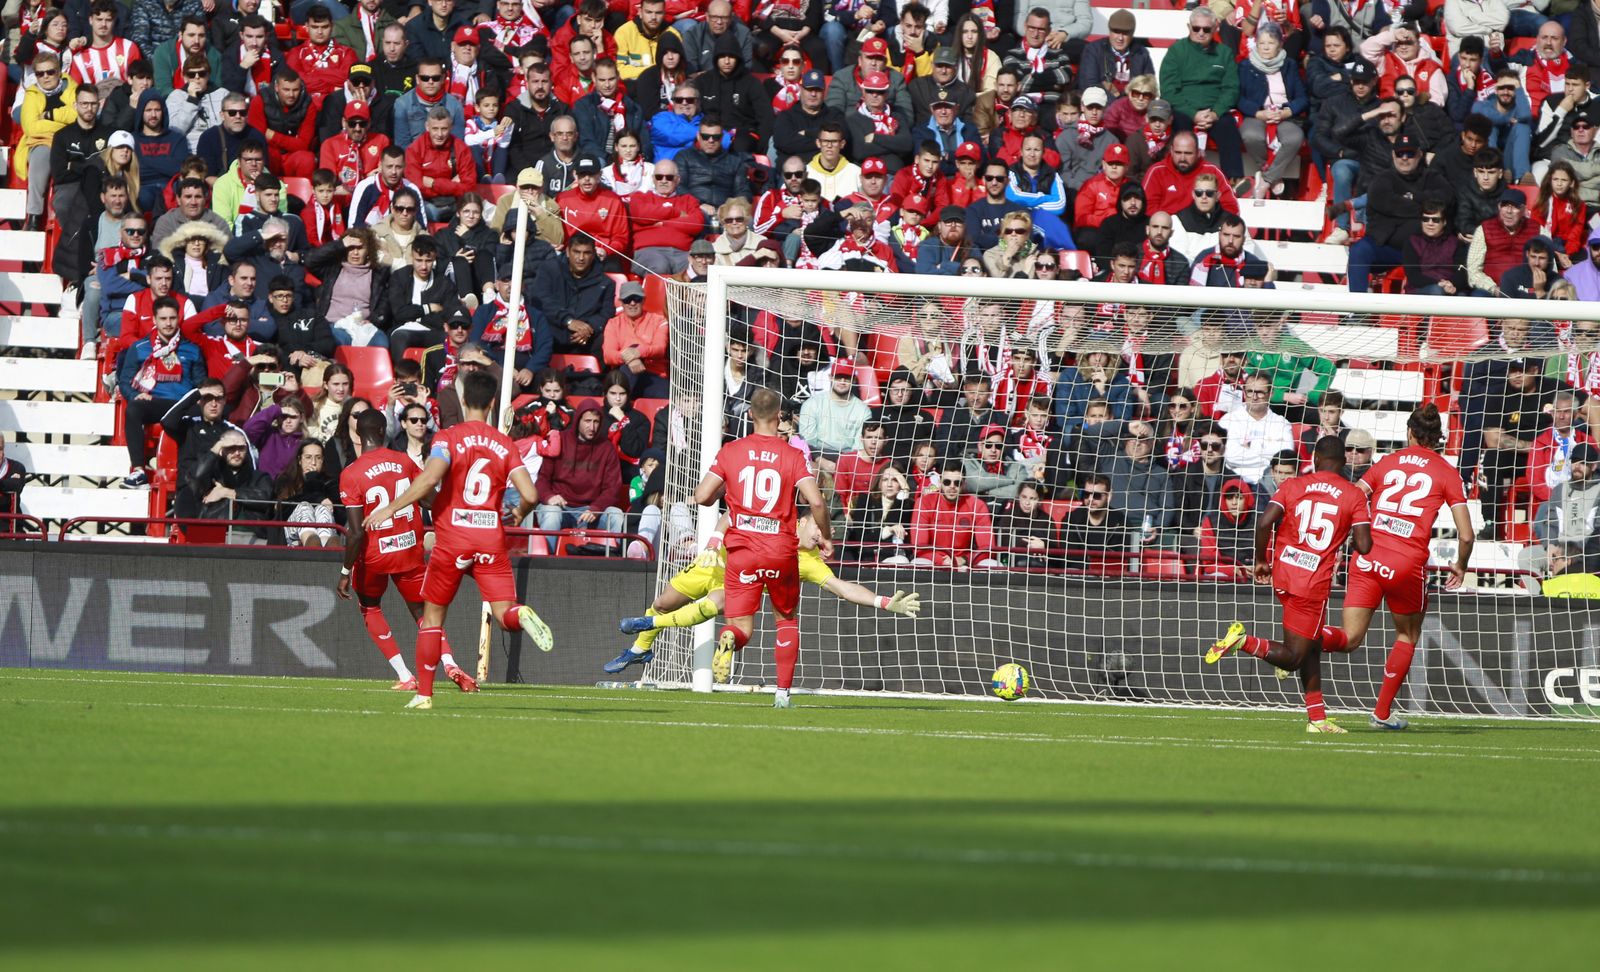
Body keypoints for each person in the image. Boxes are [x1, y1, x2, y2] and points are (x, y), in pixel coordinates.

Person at [364, 370, 553, 710]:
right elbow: (531, 493)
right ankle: (521, 613)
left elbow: (430, 477)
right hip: (490, 539)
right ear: (493, 403)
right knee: (503, 613)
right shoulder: (504, 444)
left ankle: (423, 695)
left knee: (433, 618)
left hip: (452, 538)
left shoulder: (448, 438)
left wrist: (391, 508)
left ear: (464, 401)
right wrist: (520, 514)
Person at [1309, 404, 1476, 730]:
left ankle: (1301, 645)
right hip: (1405, 563)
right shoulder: (1446, 472)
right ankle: (1382, 714)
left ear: (1409, 433)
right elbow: (1467, 535)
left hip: (1368, 556)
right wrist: (1460, 564)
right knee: (1407, 635)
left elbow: (1354, 496)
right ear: (1437, 437)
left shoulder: (1387, 462)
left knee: (1350, 637)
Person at [1206, 436, 1374, 733]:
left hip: (1283, 576)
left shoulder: (1293, 485)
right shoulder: (1353, 495)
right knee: (1295, 657)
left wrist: (1260, 561)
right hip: (1311, 583)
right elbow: (1363, 545)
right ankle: (1243, 641)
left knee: (1309, 648)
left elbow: (1263, 523)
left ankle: (1318, 719)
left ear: (1315, 460)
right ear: (1344, 462)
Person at [611, 510, 917, 673]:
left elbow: (842, 588)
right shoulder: (778, 519)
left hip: (734, 582)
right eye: (822, 531)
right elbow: (733, 513)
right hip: (713, 562)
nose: (824, 539)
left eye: (829, 535)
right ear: (806, 520)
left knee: (713, 604)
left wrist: (884, 601)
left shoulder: (809, 562)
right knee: (662, 603)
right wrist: (715, 539)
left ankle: (646, 629)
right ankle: (641, 648)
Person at [691, 387, 831, 707]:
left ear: (750, 414)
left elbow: (702, 497)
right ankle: (782, 695)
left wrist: (724, 492)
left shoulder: (731, 450)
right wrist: (826, 536)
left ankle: (729, 639)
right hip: (780, 550)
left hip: (741, 551)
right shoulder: (793, 455)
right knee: (786, 619)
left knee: (740, 626)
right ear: (779, 415)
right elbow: (818, 502)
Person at [339, 409, 471, 694]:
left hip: (375, 554)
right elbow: (430, 501)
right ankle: (450, 663)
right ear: (384, 431)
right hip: (409, 547)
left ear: (359, 436)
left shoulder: (351, 473)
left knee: (370, 606)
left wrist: (344, 570)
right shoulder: (405, 461)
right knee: (424, 614)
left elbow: (356, 532)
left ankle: (405, 675)